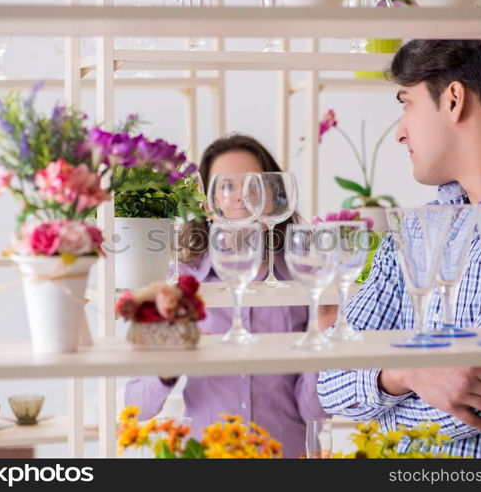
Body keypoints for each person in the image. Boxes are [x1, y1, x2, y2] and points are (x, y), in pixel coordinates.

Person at [318, 36, 481, 458]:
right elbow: (329, 378)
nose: (401, 132)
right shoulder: (418, 228)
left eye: (407, 104)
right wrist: (408, 372)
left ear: (454, 99)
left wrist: (382, 409)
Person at [124, 133, 329, 458]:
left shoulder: (304, 279)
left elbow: (316, 411)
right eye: (227, 186)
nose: (240, 198)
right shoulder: (180, 282)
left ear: (273, 196)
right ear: (208, 203)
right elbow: (137, 405)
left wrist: (325, 336)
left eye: (253, 185)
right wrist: (167, 365)